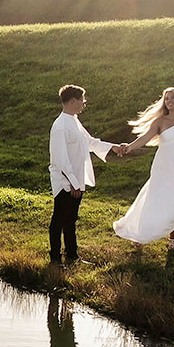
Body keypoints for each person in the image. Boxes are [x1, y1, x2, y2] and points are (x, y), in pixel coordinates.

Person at [113, 87, 174, 249]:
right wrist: (128, 148)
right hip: (161, 167)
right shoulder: (160, 122)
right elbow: (144, 138)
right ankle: (139, 234)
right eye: (166, 98)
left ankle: (172, 240)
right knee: (152, 200)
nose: (169, 101)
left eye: (172, 98)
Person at [48, 85, 116, 265]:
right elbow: (60, 159)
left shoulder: (74, 120)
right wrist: (73, 183)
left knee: (71, 219)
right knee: (59, 219)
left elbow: (90, 142)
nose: (84, 104)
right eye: (82, 101)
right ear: (72, 101)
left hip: (75, 179)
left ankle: (72, 255)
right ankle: (55, 258)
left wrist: (113, 147)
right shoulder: (60, 126)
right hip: (65, 182)